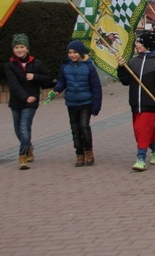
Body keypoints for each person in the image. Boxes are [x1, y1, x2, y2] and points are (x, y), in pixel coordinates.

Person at [116, 30, 155, 171]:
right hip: (136, 104)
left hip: (150, 103)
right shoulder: (133, 62)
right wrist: (121, 67)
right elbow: (125, 81)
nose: (137, 45)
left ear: (148, 44)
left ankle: (141, 158)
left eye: (139, 42)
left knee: (142, 129)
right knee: (143, 130)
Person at [6, 33, 53, 170]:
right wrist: (24, 97)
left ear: (27, 48)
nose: (19, 50)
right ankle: (29, 147)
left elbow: (48, 78)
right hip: (16, 101)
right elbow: (13, 84)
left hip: (31, 102)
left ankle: (22, 156)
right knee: (18, 130)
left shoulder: (36, 63)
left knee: (24, 127)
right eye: (16, 47)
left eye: (22, 47)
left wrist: (35, 77)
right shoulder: (9, 65)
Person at [53, 40, 102, 167]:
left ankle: (88, 151)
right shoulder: (65, 66)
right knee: (75, 130)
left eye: (75, 52)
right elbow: (62, 81)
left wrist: (96, 106)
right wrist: (57, 89)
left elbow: (96, 87)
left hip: (86, 102)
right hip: (71, 102)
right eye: (70, 52)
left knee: (84, 127)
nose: (72, 55)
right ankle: (79, 154)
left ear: (80, 52)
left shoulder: (89, 67)